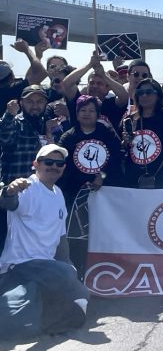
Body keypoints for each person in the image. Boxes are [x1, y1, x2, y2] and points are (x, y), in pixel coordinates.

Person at [0, 144, 89, 337]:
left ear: (64, 167)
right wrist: (9, 191)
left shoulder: (57, 194)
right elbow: (9, 202)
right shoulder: (28, 187)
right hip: (20, 265)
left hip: (45, 269)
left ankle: (45, 310)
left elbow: (61, 239)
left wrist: (71, 268)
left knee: (80, 290)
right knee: (67, 279)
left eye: (59, 163)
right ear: (36, 164)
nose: (54, 166)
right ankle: (51, 316)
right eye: (48, 162)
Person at [121, 79, 163, 190]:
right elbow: (122, 151)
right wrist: (125, 142)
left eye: (148, 92)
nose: (144, 95)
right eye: (140, 92)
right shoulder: (130, 119)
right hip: (134, 183)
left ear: (158, 95)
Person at [56, 95, 124, 206]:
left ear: (98, 115)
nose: (87, 113)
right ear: (77, 115)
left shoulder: (107, 133)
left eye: (91, 110)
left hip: (107, 191)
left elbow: (118, 154)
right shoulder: (68, 137)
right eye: (83, 110)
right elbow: (62, 163)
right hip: (76, 193)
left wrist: (102, 175)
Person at [0, 85, 62, 184]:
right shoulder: (13, 122)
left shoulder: (51, 125)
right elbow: (4, 137)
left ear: (46, 103)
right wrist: (9, 114)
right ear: (21, 103)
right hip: (16, 190)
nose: (35, 106)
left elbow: (59, 159)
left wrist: (50, 135)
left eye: (39, 101)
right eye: (30, 101)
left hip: (43, 189)